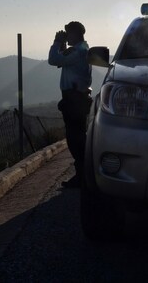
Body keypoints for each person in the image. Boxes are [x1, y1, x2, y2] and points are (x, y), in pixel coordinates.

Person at [48, 21, 92, 188]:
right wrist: (63, 46)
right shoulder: (81, 50)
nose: (67, 36)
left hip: (74, 99)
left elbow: (53, 60)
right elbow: (60, 61)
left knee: (75, 139)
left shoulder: (78, 52)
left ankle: (82, 176)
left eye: (69, 33)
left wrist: (57, 42)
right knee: (78, 137)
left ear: (76, 34)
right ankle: (83, 174)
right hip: (76, 98)